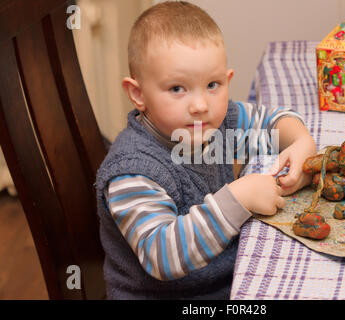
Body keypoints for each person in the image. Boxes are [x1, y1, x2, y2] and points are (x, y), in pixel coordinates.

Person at [95, 0, 316, 299]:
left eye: (212, 85)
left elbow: (271, 122)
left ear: (228, 81)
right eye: (177, 89)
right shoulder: (132, 170)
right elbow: (163, 256)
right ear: (138, 94)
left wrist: (302, 142)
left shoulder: (217, 123)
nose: (200, 105)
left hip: (225, 283)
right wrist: (238, 199)